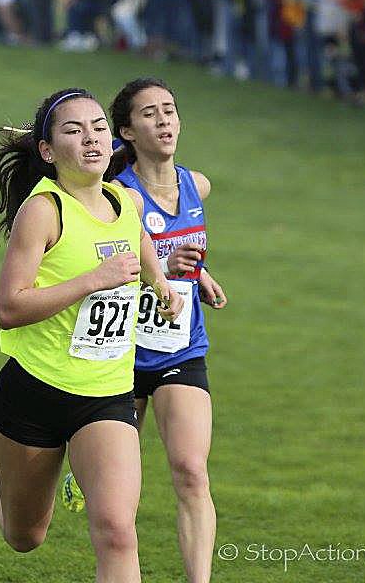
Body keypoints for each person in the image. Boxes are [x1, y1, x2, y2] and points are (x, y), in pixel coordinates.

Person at [0, 89, 184, 583]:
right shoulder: (43, 211)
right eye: (74, 130)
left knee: (118, 532)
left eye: (99, 127)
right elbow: (8, 308)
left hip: (106, 394)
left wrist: (161, 282)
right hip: (35, 391)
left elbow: (137, 238)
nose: (91, 138)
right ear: (47, 150)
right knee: (25, 537)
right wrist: (91, 281)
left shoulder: (124, 198)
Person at [62, 78, 227, 583]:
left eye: (171, 110)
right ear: (127, 131)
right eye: (150, 114)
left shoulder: (196, 185)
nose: (165, 121)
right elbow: (101, 273)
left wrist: (196, 275)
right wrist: (159, 269)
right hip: (120, 357)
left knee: (192, 473)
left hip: (180, 347)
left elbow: (184, 251)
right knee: (117, 503)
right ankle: (23, 470)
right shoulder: (117, 198)